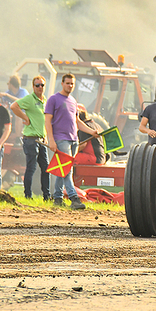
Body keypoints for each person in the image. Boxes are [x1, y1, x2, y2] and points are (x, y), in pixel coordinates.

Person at [44, 73, 99, 209]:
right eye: (67, 83)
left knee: (63, 170)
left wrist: (91, 132)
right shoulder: (53, 99)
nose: (70, 86)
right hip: (61, 139)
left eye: (72, 84)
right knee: (67, 170)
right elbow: (47, 121)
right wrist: (51, 140)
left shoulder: (73, 101)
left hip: (74, 140)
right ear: (62, 83)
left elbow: (77, 121)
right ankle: (74, 199)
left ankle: (57, 198)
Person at [10, 75, 51, 200]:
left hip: (42, 139)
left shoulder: (45, 100)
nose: (40, 87)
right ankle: (28, 195)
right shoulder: (29, 99)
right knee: (31, 167)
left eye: (42, 85)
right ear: (33, 87)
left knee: (46, 168)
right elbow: (13, 106)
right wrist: (25, 117)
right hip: (31, 139)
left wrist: (46, 135)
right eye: (37, 85)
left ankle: (46, 195)